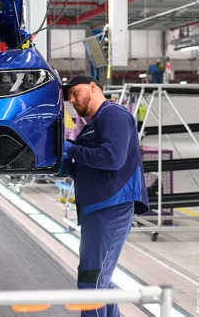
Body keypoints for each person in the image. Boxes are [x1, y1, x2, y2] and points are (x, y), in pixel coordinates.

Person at [60, 75, 149, 317]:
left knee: (92, 283)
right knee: (100, 281)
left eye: (75, 92)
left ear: (93, 87)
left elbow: (112, 158)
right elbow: (86, 165)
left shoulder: (114, 115)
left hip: (111, 206)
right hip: (96, 209)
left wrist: (71, 149)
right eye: (69, 97)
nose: (72, 100)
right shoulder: (93, 125)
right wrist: (62, 164)